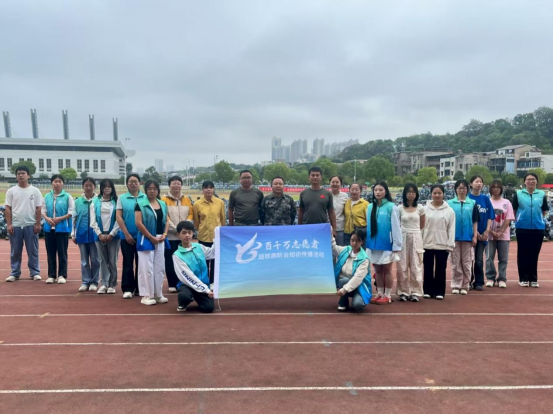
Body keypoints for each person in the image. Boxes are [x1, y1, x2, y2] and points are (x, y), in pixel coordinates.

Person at [5, 165, 44, 283]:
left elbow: (39, 208)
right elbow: (8, 208)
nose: (21, 175)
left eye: (23, 173)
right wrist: (9, 224)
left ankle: (35, 272)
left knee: (33, 251)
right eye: (18, 173)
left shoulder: (35, 191)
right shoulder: (11, 191)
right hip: (16, 225)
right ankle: (15, 273)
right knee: (15, 251)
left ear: (28, 176)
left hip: (30, 225)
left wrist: (38, 224)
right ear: (16, 176)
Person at [135, 180, 171, 306]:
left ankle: (158, 294)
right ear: (145, 190)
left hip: (160, 238)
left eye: (155, 188)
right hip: (146, 238)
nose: (152, 191)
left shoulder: (162, 204)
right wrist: (150, 237)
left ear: (158, 190)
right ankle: (146, 295)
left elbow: (167, 220)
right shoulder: (140, 204)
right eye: (149, 188)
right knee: (147, 269)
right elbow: (138, 223)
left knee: (159, 268)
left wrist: (165, 234)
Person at [367, 182, 402, 305]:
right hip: (373, 244)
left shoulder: (392, 207)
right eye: (376, 190)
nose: (378, 192)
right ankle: (380, 293)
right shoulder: (370, 207)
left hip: (387, 244)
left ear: (386, 191)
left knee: (387, 270)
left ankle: (387, 295)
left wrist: (396, 245)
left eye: (380, 190)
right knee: (377, 270)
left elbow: (396, 227)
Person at [513, 173, 548, 288]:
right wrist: (519, 220)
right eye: (528, 179)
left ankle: (533, 279)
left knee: (534, 254)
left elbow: (544, 210)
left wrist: (540, 219)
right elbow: (514, 209)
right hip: (522, 227)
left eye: (533, 179)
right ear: (524, 182)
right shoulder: (518, 194)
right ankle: (523, 278)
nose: (531, 181)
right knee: (523, 253)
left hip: (538, 228)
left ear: (536, 181)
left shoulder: (541, 194)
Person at [172, 221, 216, 313]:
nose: (187, 235)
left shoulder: (199, 247)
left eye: (189, 232)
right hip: (187, 284)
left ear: (193, 234)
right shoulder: (177, 255)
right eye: (184, 233)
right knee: (185, 296)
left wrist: (217, 239)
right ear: (178, 235)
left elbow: (213, 253)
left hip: (202, 283)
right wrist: (206, 290)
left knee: (208, 308)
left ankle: (198, 296)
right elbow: (188, 276)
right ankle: (182, 303)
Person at [423, 184, 455, 300]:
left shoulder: (449, 211)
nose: (437, 195)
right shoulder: (424, 209)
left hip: (442, 244)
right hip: (427, 243)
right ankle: (427, 290)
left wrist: (450, 244)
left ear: (443, 194)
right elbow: (421, 227)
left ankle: (439, 291)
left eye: (439, 193)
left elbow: (451, 228)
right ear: (431, 194)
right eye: (434, 193)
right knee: (427, 268)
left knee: (441, 269)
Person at [116, 174, 146, 299]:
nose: (133, 184)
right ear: (127, 184)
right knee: (128, 262)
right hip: (126, 237)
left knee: (142, 263)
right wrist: (126, 234)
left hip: (143, 237)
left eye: (135, 181)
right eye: (130, 181)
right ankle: (128, 288)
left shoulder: (145, 197)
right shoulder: (122, 198)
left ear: (139, 183)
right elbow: (119, 217)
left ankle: (140, 287)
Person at [162, 176, 194, 294]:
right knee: (170, 260)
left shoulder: (187, 199)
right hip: (171, 236)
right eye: (174, 183)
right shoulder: (164, 199)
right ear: (169, 185)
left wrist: (185, 229)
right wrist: (177, 229)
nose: (176, 185)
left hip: (184, 237)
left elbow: (191, 213)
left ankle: (183, 283)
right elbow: (165, 217)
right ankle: (172, 283)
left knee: (184, 260)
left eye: (178, 183)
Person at [42, 174, 74, 285]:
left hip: (62, 229)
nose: (57, 183)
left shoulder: (67, 196)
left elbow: (71, 212)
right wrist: (47, 219)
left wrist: (60, 219)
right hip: (49, 228)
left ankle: (62, 275)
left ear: (63, 183)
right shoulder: (47, 196)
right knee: (50, 253)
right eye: (55, 181)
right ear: (52, 183)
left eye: (60, 181)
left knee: (62, 253)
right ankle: (51, 275)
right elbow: (43, 211)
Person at [448, 180, 479, 295]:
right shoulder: (449, 203)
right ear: (455, 189)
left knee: (467, 262)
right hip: (454, 237)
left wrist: (475, 236)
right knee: (455, 261)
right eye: (459, 188)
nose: (462, 190)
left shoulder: (472, 203)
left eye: (464, 188)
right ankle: (456, 284)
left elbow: (475, 221)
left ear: (467, 189)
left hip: (467, 237)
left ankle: (465, 285)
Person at [91, 179, 121, 295]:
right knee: (102, 260)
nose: (107, 188)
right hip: (99, 235)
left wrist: (112, 233)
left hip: (114, 235)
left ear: (112, 188)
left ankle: (112, 284)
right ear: (101, 188)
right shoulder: (95, 201)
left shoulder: (117, 201)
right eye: (104, 186)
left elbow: (119, 219)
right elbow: (93, 220)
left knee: (112, 261)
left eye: (109, 186)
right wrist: (99, 233)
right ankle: (104, 283)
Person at [193, 180, 226, 284]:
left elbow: (222, 219)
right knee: (204, 261)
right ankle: (205, 282)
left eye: (211, 188)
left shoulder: (220, 203)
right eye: (206, 188)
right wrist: (200, 230)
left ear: (213, 189)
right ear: (202, 190)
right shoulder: (197, 204)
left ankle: (213, 282)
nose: (208, 190)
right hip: (203, 237)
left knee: (216, 261)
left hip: (216, 237)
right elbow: (196, 222)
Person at [397, 184, 426, 302]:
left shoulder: (420, 208)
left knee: (416, 265)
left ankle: (415, 292)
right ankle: (403, 291)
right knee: (402, 266)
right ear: (404, 194)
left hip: (416, 237)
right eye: (408, 192)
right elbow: (397, 224)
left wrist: (414, 233)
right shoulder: (399, 208)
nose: (411, 194)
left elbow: (422, 225)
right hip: (402, 238)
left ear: (416, 194)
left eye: (413, 192)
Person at [332, 228, 372, 312]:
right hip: (345, 283)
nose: (354, 243)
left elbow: (357, 278)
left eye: (357, 241)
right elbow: (333, 248)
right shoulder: (345, 250)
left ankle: (357, 297)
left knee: (358, 305)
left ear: (362, 242)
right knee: (344, 280)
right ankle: (343, 302)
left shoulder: (364, 259)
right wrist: (330, 233)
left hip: (360, 286)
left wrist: (344, 290)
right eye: (352, 240)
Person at [72, 178, 100, 293]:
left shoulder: (98, 200)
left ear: (94, 186)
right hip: (82, 234)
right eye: (86, 185)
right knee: (84, 261)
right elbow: (74, 218)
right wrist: (73, 234)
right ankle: (85, 281)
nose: (88, 188)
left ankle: (94, 282)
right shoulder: (77, 201)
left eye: (90, 185)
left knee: (95, 259)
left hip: (95, 234)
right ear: (83, 187)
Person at [486, 180, 515, 289]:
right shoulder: (487, 201)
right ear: (490, 189)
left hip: (504, 235)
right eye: (493, 187)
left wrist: (501, 231)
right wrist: (491, 232)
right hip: (489, 234)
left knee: (503, 258)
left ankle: (502, 278)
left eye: (498, 187)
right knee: (489, 257)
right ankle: (490, 277)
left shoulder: (506, 202)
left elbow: (508, 218)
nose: (496, 189)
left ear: (501, 189)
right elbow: (485, 219)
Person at [469, 176, 495, 291]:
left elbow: (490, 216)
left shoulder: (485, 199)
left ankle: (478, 282)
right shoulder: (468, 198)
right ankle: (468, 280)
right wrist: (475, 232)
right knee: (469, 259)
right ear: (471, 184)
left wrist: (487, 230)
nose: (479, 184)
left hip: (483, 235)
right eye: (476, 182)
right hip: (470, 235)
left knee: (479, 259)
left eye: (481, 182)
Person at [298, 167, 337, 234]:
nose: (315, 177)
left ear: (321, 177)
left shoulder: (327, 194)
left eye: (317, 175)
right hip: (306, 227)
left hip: (322, 228)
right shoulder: (303, 193)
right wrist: (299, 227)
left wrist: (334, 229)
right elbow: (301, 212)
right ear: (309, 177)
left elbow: (331, 212)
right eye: (313, 175)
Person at [330, 176, 349, 246]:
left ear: (341, 184)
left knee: (340, 249)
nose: (335, 184)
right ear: (330, 183)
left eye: (337, 182)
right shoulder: (326, 195)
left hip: (340, 228)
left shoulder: (345, 196)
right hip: (327, 228)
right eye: (333, 182)